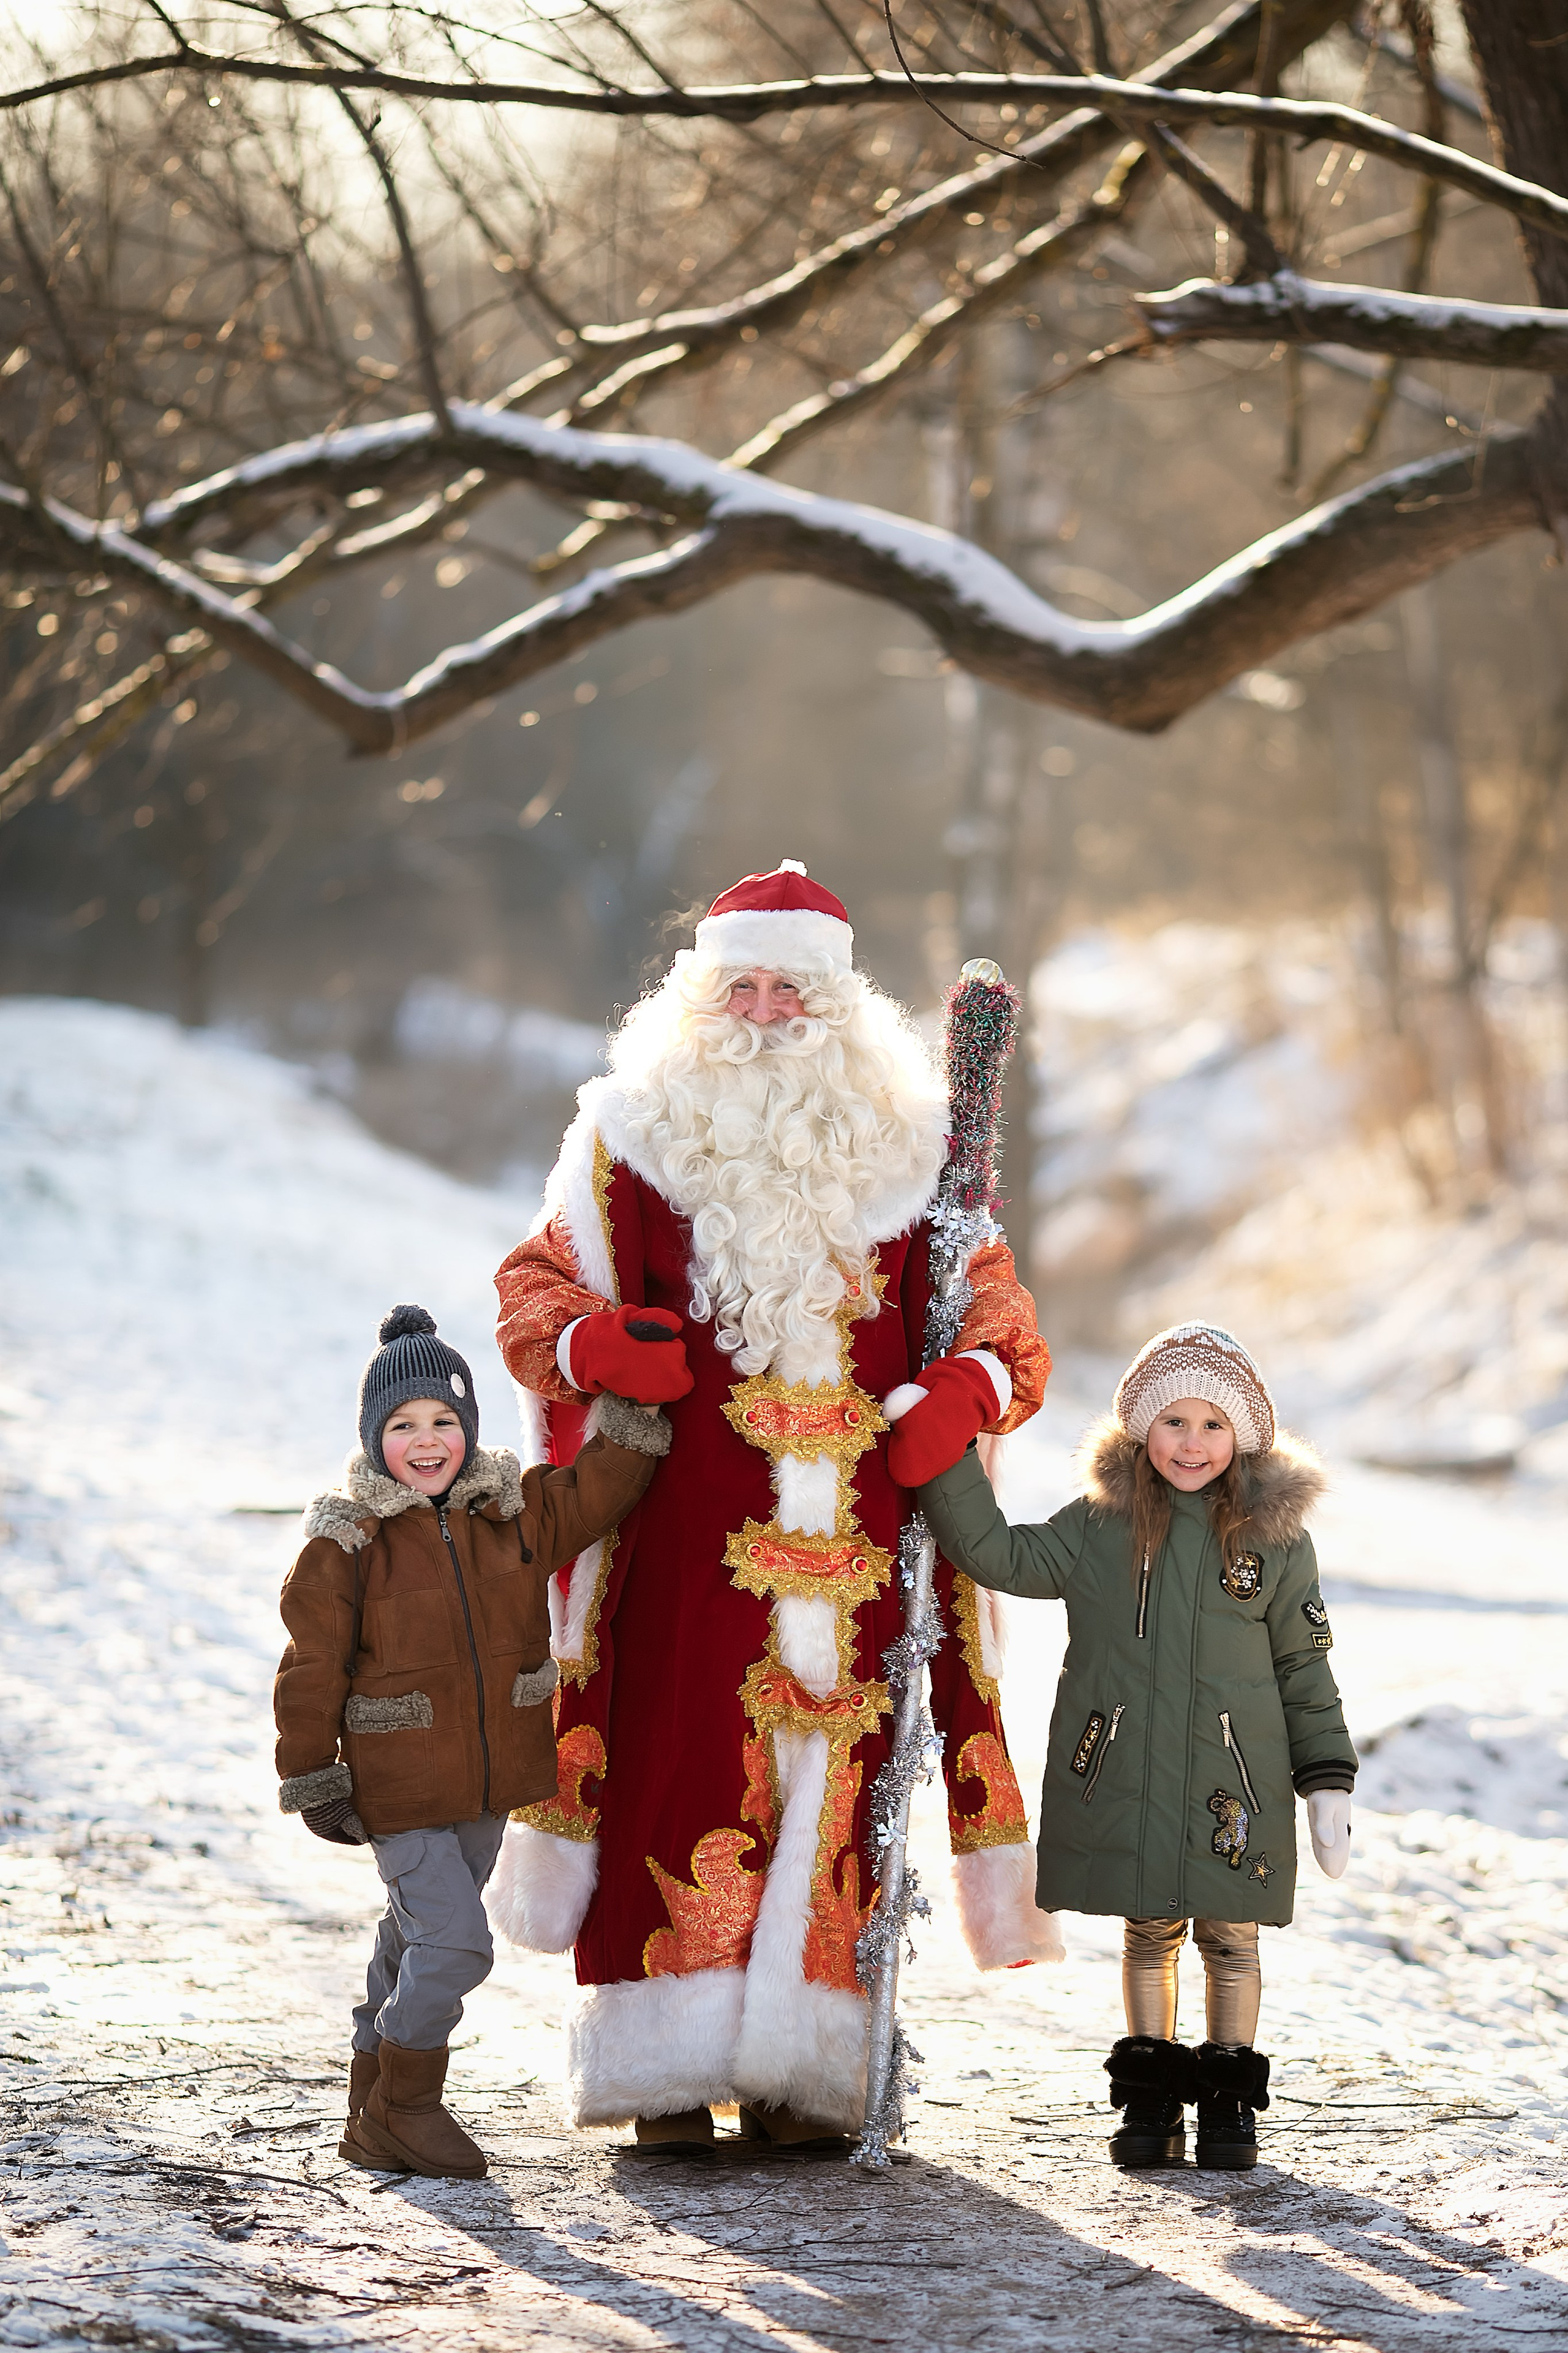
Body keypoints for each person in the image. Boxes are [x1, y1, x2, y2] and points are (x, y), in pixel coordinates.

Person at [490, 861, 1056, 2150]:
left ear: (840, 1008)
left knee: (842, 1779)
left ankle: (807, 2074)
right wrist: (594, 1347)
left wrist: (967, 1388)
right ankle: (667, 2073)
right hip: (684, 1539)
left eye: (789, 992)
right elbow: (532, 1287)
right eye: (737, 985)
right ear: (694, 998)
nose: (761, 1012)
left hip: (865, 1537)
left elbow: (1002, 1321)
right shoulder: (628, 1134)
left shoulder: (917, 1160)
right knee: (677, 1762)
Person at [913, 1320, 1357, 2170]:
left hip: (1240, 1784)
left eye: (1213, 1424)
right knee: (1149, 1930)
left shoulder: (1274, 1541)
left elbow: (1305, 1663)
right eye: (1173, 1422)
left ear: (1245, 1436)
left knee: (1231, 1937)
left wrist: (1326, 1776)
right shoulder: (1101, 1524)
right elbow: (998, 1553)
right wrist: (946, 1453)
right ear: (1140, 1429)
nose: (1192, 1443)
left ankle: (1230, 2103)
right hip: (1131, 1773)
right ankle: (1150, 2098)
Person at [273, 1304, 669, 2179]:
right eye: (403, 1425)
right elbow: (310, 1665)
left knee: (412, 1934)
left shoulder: (511, 1512)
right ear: (376, 1438)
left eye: (444, 1421)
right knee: (456, 1943)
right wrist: (311, 1774)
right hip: (399, 1784)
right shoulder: (349, 1542)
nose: (426, 1441)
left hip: (490, 1783)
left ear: (469, 1427)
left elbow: (598, 1490)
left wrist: (635, 1413)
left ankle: (368, 2090)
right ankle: (405, 2107)